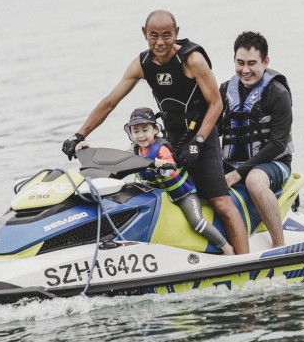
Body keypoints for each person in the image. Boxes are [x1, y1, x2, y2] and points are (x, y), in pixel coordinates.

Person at [62, 9, 249, 254]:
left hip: (202, 136)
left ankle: (245, 259)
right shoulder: (142, 63)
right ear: (144, 34)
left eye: (166, 35)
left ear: (177, 33)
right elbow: (110, 102)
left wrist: (199, 142)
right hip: (168, 140)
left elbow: (216, 103)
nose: (160, 42)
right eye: (153, 36)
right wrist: (80, 135)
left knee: (220, 201)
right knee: (157, 195)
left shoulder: (192, 60)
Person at [76, 107, 235, 255]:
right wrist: (87, 149)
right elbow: (114, 160)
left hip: (182, 195)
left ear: (155, 130)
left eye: (145, 130)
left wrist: (162, 163)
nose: (141, 135)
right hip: (159, 196)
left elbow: (170, 165)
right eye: (136, 131)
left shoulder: (161, 149)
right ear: (130, 133)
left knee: (197, 222)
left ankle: (226, 247)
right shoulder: (134, 149)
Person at [218, 31, 294, 248]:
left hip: (274, 163)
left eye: (252, 63)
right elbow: (213, 131)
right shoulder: (225, 90)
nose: (245, 70)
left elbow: (279, 143)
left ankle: (279, 245)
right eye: (240, 62)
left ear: (265, 61)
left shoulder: (277, 93)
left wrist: (239, 172)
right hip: (232, 164)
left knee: (254, 180)